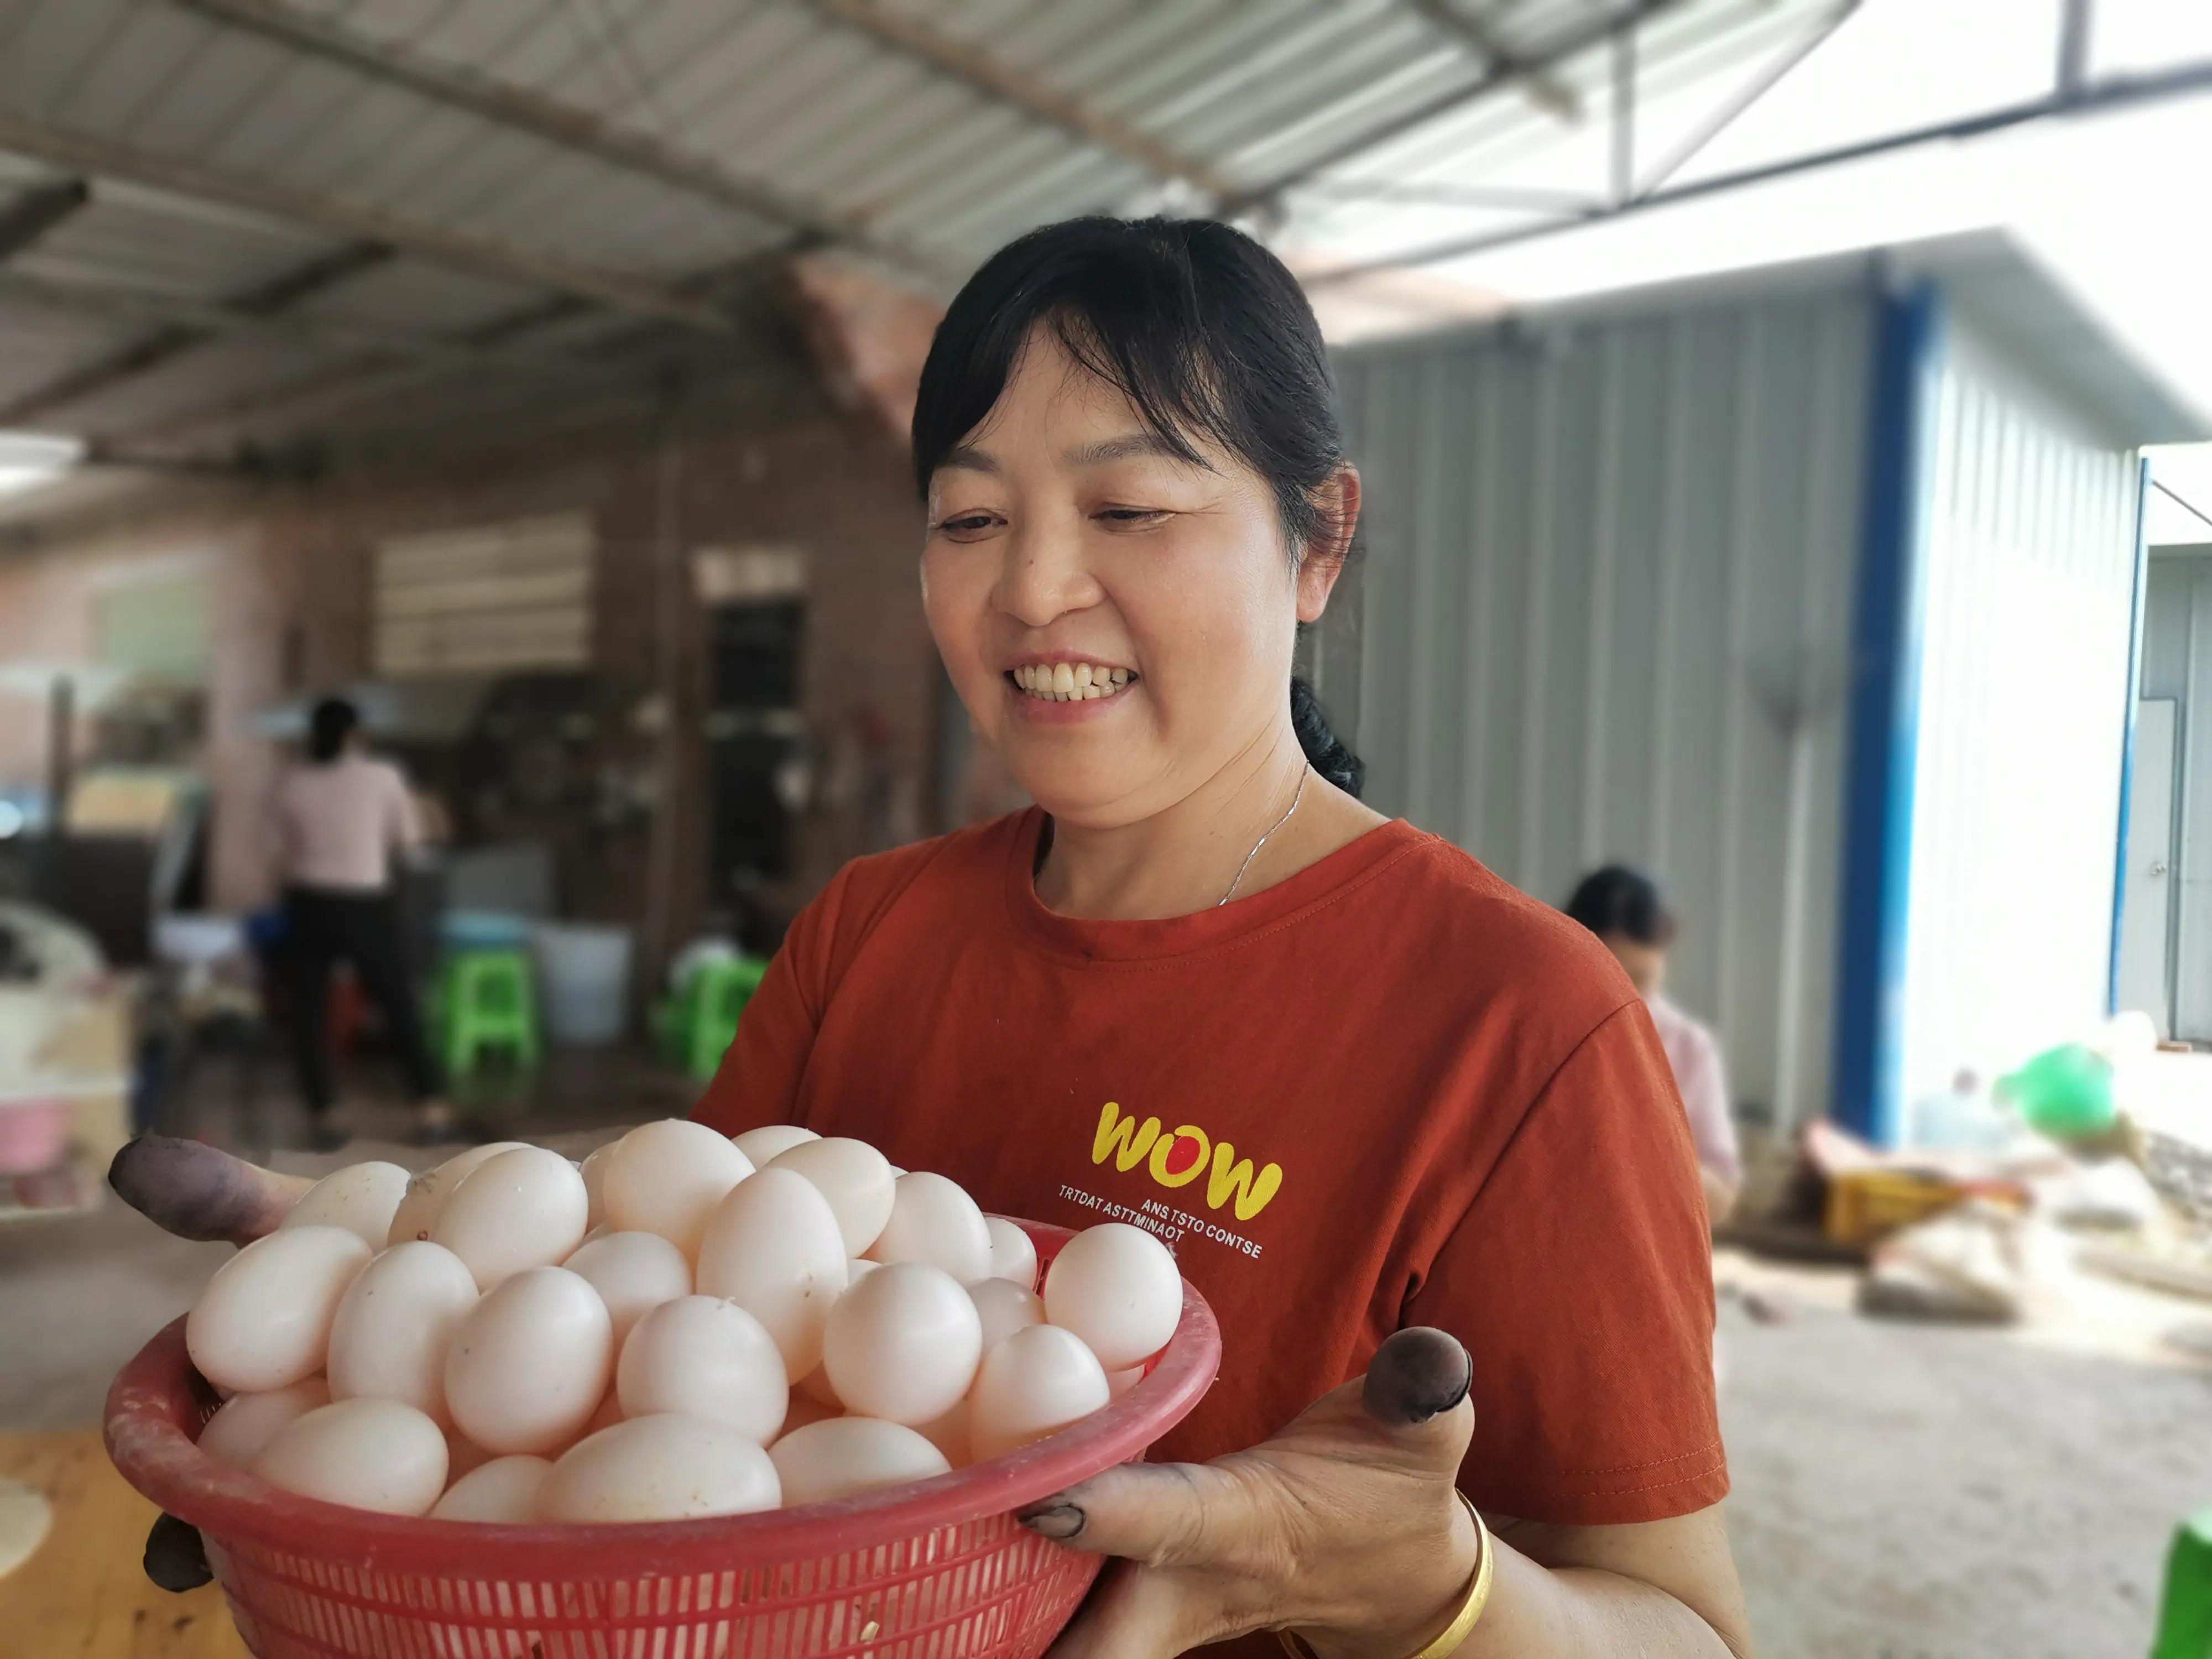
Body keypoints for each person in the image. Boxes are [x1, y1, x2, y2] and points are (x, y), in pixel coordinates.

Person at [116, 219, 1745, 1657]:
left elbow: (1681, 1627)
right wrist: (389, 1282)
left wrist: (1428, 1588)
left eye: (1129, 505)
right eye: (968, 520)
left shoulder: (1519, 1024)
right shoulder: (872, 931)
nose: (1034, 588)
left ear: (1316, 542)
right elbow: (658, 1343)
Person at [270, 696, 449, 1146]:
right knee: (396, 1003)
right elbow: (408, 841)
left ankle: (324, 1115)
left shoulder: (291, 782)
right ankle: (429, 1106)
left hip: (308, 902)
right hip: (365, 904)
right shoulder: (382, 776)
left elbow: (281, 853)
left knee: (310, 1012)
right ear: (355, 735)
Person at [1563, 865, 1743, 1227]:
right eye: (1606, 976)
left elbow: (1721, 1194)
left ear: (1665, 956)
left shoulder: (1688, 1047)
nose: (1624, 998)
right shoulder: (1540, 1031)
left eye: (1640, 977)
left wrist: (1646, 1152)